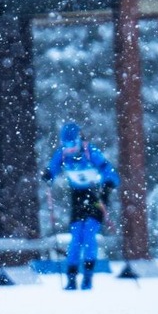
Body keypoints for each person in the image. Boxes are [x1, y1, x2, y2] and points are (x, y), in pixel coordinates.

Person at [45, 121, 119, 290]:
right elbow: (53, 168)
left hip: (95, 195)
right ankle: (71, 278)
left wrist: (108, 184)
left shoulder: (89, 151)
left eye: (73, 144)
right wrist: (48, 174)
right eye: (66, 145)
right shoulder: (62, 154)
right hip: (77, 196)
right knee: (76, 237)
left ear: (79, 140)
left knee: (89, 234)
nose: (70, 149)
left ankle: (87, 277)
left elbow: (109, 170)